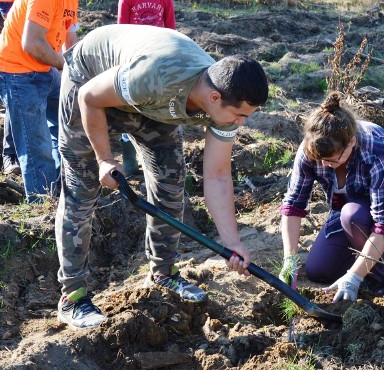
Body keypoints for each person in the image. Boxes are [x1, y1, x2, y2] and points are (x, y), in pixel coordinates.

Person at [55, 24, 269, 329]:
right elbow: (90, 97)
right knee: (82, 187)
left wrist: (232, 242)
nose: (241, 123)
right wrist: (104, 159)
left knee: (170, 183)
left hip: (152, 104)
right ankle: (72, 296)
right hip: (91, 80)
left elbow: (218, 175)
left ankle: (163, 272)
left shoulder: (225, 99)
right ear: (213, 97)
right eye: (240, 116)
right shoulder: (159, 76)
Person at [278, 93, 384, 302]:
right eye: (318, 159)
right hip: (352, 208)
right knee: (319, 270)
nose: (322, 166)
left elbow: (383, 223)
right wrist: (290, 260)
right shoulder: (312, 149)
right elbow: (293, 205)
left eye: (331, 160)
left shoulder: (376, 151)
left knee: (353, 215)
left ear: (351, 143)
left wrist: (354, 277)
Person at [0, 0, 104, 202]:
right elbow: (32, 43)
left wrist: (81, 69)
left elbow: (70, 36)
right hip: (18, 72)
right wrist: (66, 67)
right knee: (37, 147)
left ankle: (65, 185)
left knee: (68, 122)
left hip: (45, 68)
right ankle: (42, 203)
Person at [117, 0, 176, 176]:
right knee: (130, 104)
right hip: (134, 56)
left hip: (157, 56)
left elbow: (171, 30)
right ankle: (130, 160)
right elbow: (121, 29)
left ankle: (153, 159)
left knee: (154, 104)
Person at [0, 0, 53, 175]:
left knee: (29, 101)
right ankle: (9, 154)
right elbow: (10, 13)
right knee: (17, 96)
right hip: (13, 38)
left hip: (42, 38)